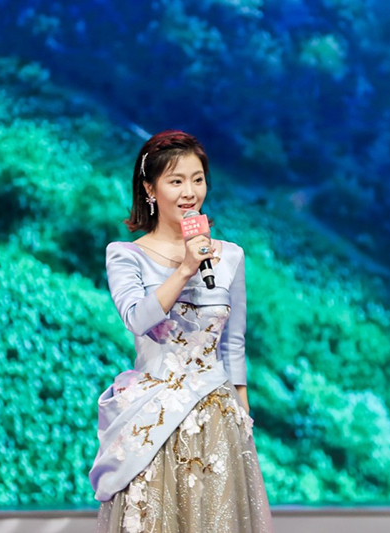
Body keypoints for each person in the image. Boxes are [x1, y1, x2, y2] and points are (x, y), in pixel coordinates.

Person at [89, 130, 274, 532]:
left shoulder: (230, 256)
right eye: (176, 181)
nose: (190, 192)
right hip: (152, 418)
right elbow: (137, 319)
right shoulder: (126, 255)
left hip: (216, 417)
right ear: (150, 189)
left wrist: (243, 417)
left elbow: (233, 343)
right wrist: (186, 268)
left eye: (197, 179)